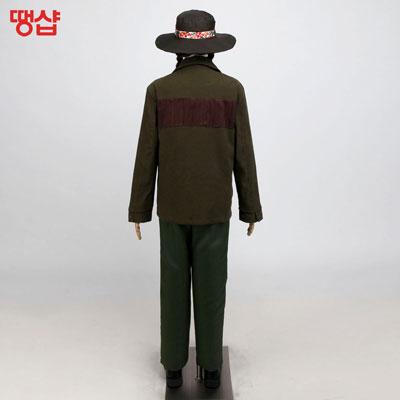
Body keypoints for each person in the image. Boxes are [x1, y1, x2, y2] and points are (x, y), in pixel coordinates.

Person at [128, 9, 263, 389]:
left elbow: (147, 154)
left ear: (177, 50)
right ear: (213, 49)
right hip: (214, 207)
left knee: (172, 287)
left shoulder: (158, 90)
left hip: (172, 208)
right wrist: (250, 208)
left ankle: (173, 368)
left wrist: (139, 209)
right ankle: (211, 369)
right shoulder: (231, 89)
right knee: (211, 288)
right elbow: (243, 153)